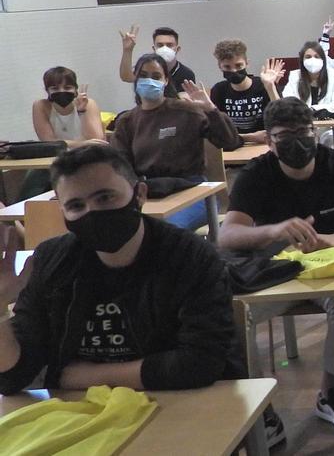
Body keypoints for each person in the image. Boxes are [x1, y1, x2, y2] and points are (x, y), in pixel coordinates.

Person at [219, 98, 334, 436]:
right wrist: (272, 231)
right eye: (286, 136)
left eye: (304, 132)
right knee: (229, 317)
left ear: (315, 133)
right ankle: (260, 409)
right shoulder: (255, 175)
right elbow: (228, 235)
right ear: (269, 142)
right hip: (276, 272)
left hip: (332, 271)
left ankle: (332, 393)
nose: (298, 142)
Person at [0, 145, 238, 395]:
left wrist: (76, 377)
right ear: (62, 212)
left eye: (105, 198)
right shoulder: (51, 261)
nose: (92, 212)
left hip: (186, 405)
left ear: (140, 195)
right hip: (91, 414)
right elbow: (14, 378)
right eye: (76, 206)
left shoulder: (190, 256)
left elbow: (200, 363)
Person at [111, 54, 242, 229]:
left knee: (166, 230)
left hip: (193, 190)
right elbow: (121, 167)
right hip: (148, 192)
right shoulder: (126, 121)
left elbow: (230, 142)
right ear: (135, 78)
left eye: (156, 76)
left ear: (165, 81)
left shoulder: (186, 111)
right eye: (143, 75)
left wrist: (211, 110)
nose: (149, 81)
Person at [23, 67, 109, 198]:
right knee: (32, 186)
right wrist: (81, 144)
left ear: (75, 89)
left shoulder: (88, 104)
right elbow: (49, 142)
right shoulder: (40, 106)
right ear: (47, 91)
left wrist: (82, 112)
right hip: (54, 161)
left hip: (87, 159)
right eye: (55, 88)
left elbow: (96, 141)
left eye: (67, 87)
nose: (61, 92)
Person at [208, 39, 283, 145]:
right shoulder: (219, 90)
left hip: (265, 145)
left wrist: (270, 87)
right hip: (233, 147)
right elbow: (218, 132)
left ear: (247, 63)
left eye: (238, 65)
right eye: (227, 67)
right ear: (220, 67)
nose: (233, 71)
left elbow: (283, 118)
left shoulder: (264, 84)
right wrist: (250, 137)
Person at [282, 41, 334, 149]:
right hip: (303, 129)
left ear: (323, 60)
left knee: (328, 143)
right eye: (308, 57)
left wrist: (309, 110)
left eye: (316, 56)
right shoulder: (295, 76)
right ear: (302, 60)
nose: (312, 60)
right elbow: (288, 105)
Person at [117, 25, 195, 99]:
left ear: (177, 49)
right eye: (160, 45)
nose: (165, 48)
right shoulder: (148, 67)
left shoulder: (186, 73)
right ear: (154, 49)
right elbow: (126, 77)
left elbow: (185, 101)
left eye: (169, 45)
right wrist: (127, 50)